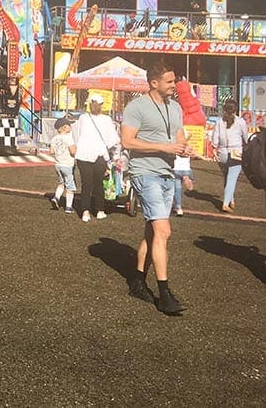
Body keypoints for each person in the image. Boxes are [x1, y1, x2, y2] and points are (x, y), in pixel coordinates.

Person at [121, 61, 189, 315]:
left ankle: (138, 282)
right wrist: (165, 148)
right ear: (154, 83)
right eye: (170, 81)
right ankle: (164, 294)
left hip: (167, 174)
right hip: (144, 173)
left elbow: (179, 134)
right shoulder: (136, 107)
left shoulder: (175, 107)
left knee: (152, 232)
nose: (175, 85)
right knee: (163, 231)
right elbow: (127, 141)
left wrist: (182, 146)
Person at [73, 94, 120, 222]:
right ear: (101, 105)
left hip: (83, 154)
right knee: (98, 184)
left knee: (86, 184)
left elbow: (76, 135)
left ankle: (85, 212)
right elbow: (113, 140)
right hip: (99, 155)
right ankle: (100, 210)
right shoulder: (106, 119)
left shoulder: (83, 118)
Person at [210, 99, 248, 213]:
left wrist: (215, 150)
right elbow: (245, 137)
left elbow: (214, 141)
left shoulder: (219, 122)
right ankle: (225, 203)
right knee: (232, 179)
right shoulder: (240, 121)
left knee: (227, 177)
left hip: (222, 153)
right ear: (235, 109)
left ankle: (231, 200)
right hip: (236, 152)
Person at [49, 116, 77, 213]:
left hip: (58, 164)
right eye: (69, 125)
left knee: (61, 183)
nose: (71, 127)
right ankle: (68, 207)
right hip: (67, 165)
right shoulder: (69, 138)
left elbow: (51, 151)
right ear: (64, 127)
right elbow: (73, 151)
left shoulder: (54, 138)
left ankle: (56, 197)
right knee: (70, 187)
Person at [172, 132, 193, 217]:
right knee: (187, 176)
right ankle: (188, 178)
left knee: (177, 189)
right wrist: (204, 158)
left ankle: (178, 207)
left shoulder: (174, 145)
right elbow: (194, 153)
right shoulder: (188, 147)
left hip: (176, 168)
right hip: (186, 169)